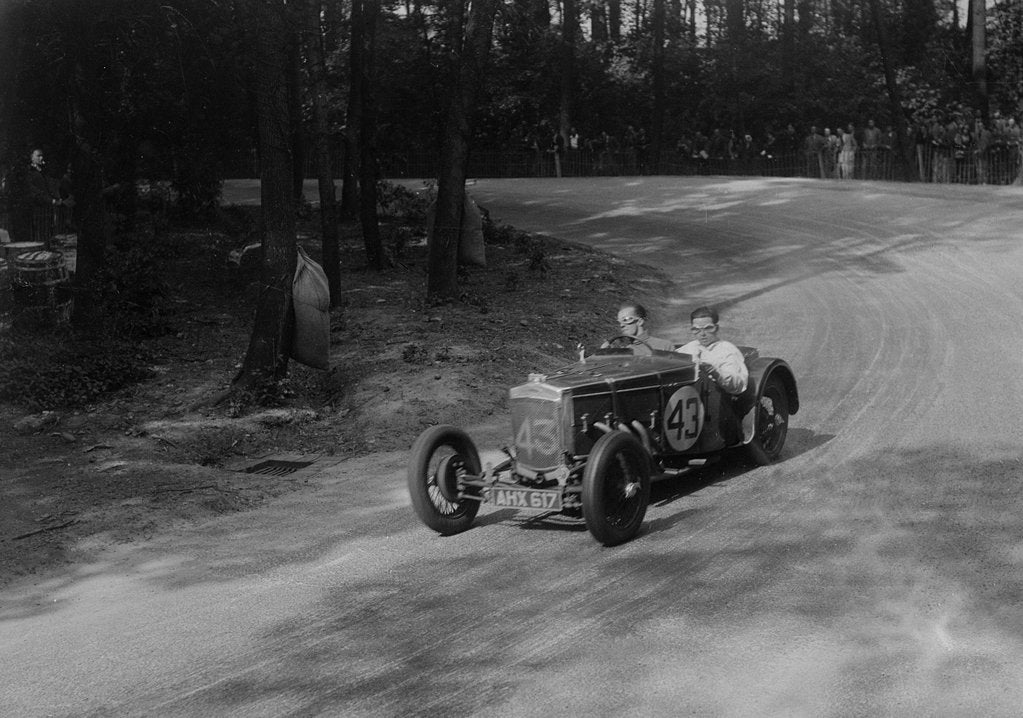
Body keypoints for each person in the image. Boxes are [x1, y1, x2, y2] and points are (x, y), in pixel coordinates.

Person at [675, 306, 748, 395]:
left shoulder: (727, 350)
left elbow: (737, 385)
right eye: (696, 330)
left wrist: (715, 372)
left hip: (717, 399)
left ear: (716, 328)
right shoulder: (689, 348)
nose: (702, 334)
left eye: (708, 328)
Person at [603, 302, 675, 352]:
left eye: (626, 319)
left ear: (640, 322)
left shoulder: (664, 345)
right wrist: (604, 353)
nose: (622, 325)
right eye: (619, 322)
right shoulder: (625, 352)